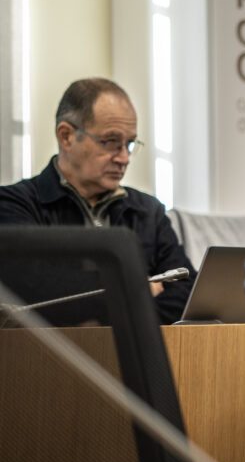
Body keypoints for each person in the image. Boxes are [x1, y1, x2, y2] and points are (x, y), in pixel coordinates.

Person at [0, 77, 196, 324]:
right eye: (111, 142)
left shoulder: (148, 211)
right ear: (66, 136)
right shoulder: (15, 204)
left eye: (129, 144)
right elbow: (35, 291)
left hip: (139, 348)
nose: (124, 158)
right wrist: (139, 288)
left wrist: (112, 310)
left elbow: (187, 291)